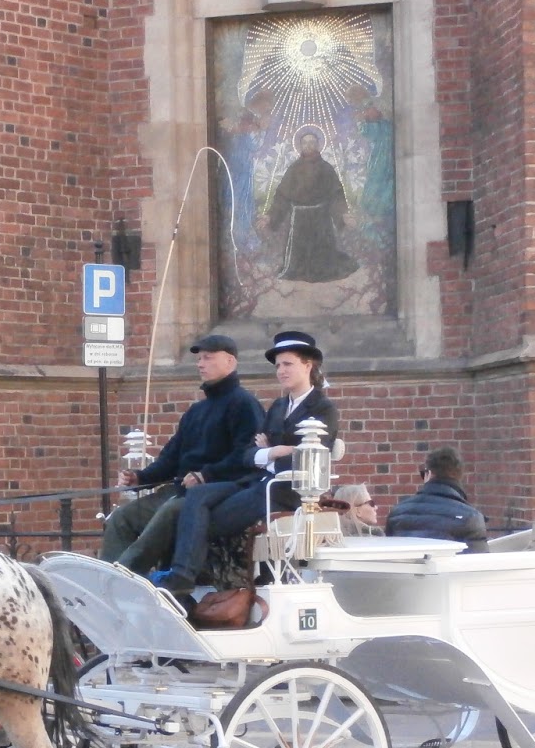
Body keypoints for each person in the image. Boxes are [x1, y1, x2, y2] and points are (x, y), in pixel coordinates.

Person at [155, 330, 339, 596]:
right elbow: (248, 454)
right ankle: (181, 576)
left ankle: (197, 578)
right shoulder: (278, 406)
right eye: (278, 366)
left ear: (308, 365)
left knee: (208, 520)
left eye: (288, 364)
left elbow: (308, 458)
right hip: (257, 481)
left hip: (285, 491)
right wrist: (274, 452)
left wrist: (269, 453)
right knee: (198, 495)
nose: (281, 371)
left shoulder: (323, 408)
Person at [100, 333, 263, 574]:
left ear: (230, 361)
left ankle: (126, 573)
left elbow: (245, 456)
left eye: (208, 358)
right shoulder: (195, 411)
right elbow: (171, 457)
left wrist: (205, 475)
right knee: (122, 518)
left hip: (216, 494)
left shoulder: (244, 404)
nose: (200, 364)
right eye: (199, 359)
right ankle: (106, 575)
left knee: (169, 513)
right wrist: (141, 477)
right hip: (180, 491)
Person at [265, 128, 357, 282]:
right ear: (300, 146)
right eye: (305, 143)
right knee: (298, 260)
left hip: (320, 218)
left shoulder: (326, 169)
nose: (308, 146)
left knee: (322, 256)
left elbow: (336, 196)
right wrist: (270, 217)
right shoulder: (293, 169)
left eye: (312, 142)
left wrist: (343, 215)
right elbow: (282, 196)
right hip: (299, 220)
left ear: (318, 145)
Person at [385, 446, 488, 551]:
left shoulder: (397, 513)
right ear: (459, 476)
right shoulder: (471, 518)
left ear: (429, 474)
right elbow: (479, 559)